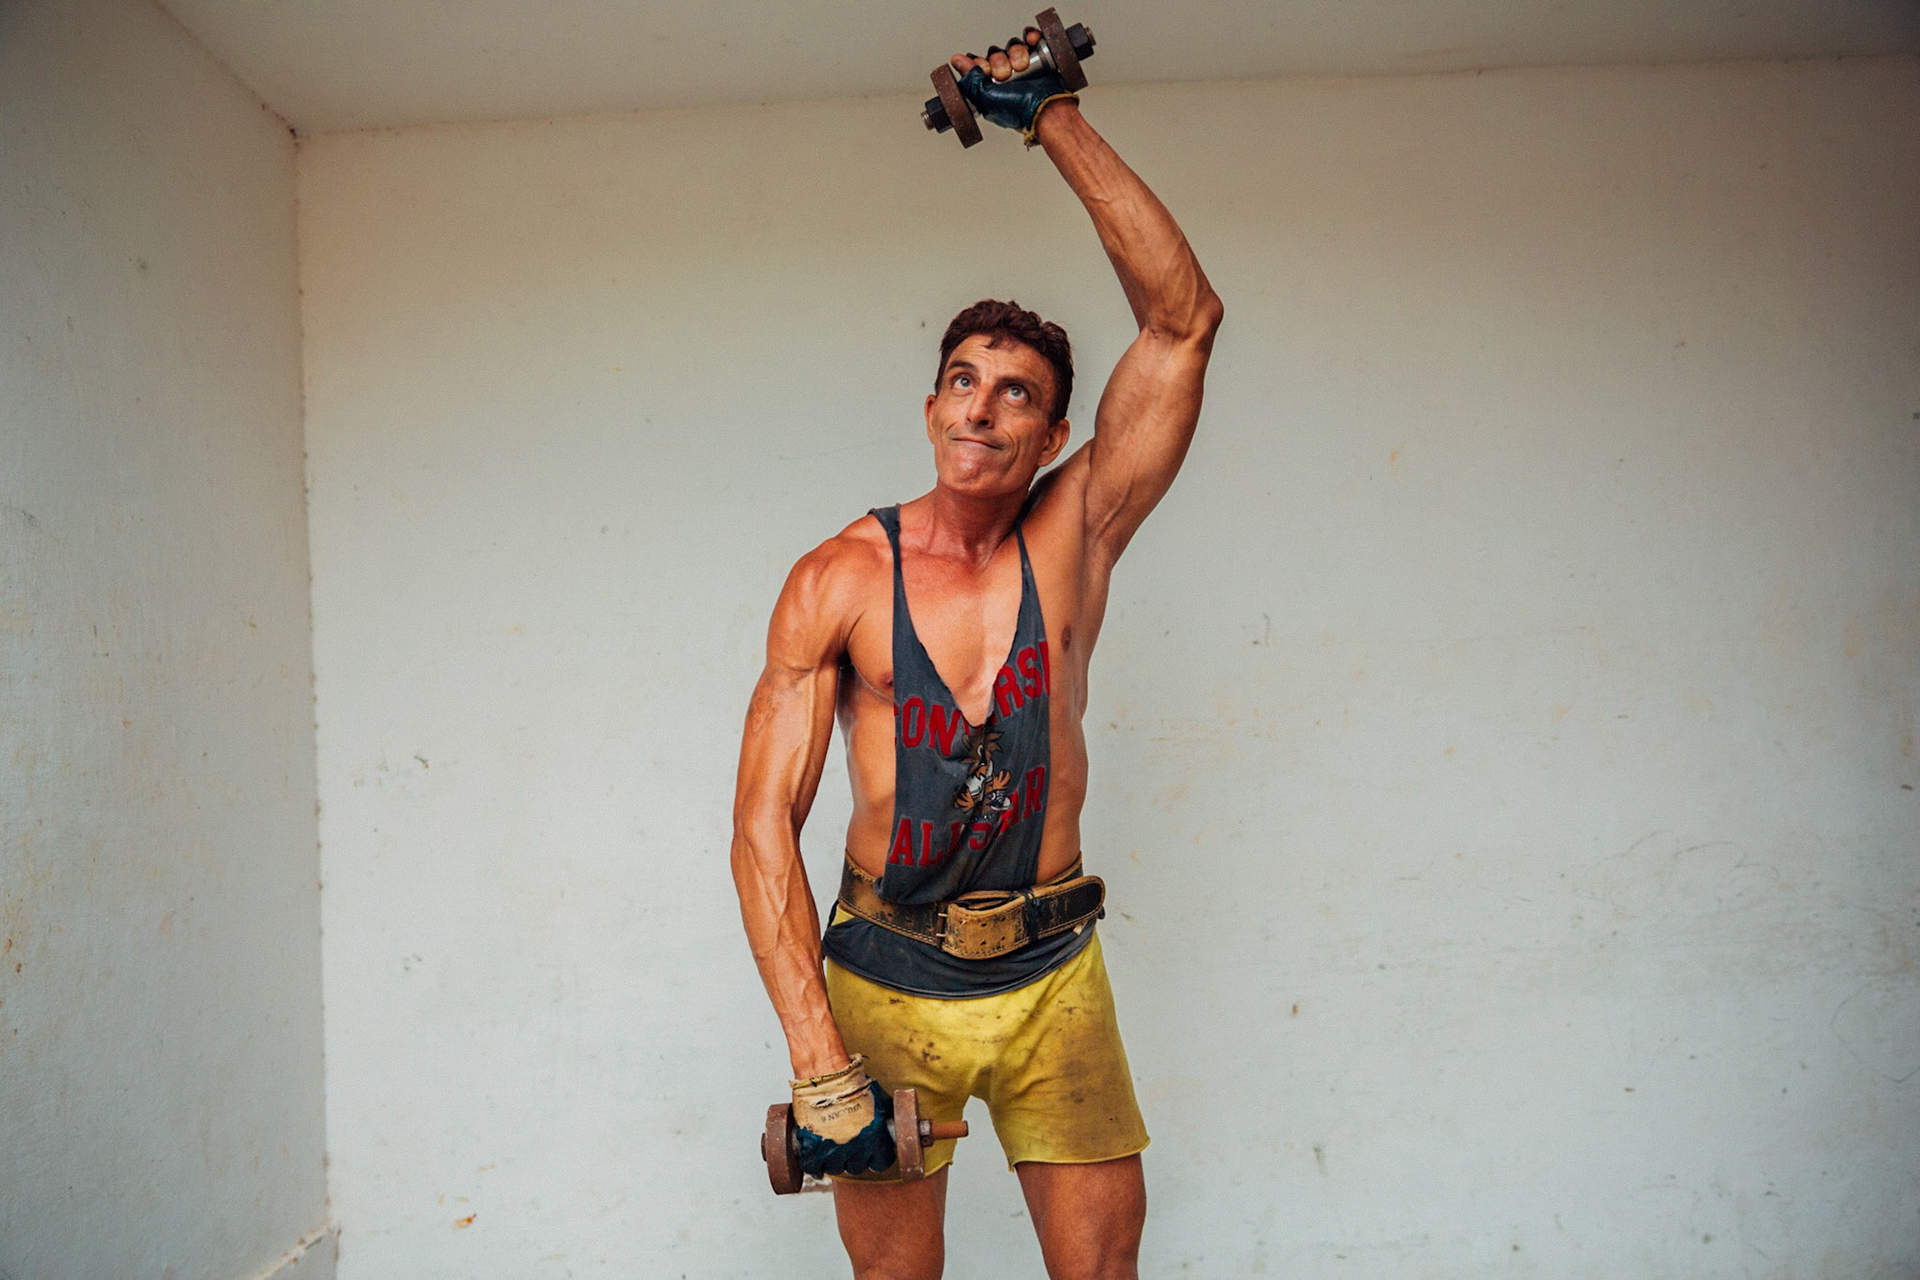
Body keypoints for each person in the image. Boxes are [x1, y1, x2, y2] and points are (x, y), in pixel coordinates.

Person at [730, 29, 1223, 1280]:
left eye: (1016, 391)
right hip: (886, 979)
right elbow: (759, 828)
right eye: (963, 379)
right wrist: (815, 1059)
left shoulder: (1078, 528)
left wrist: (1047, 113)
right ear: (932, 405)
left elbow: (1184, 319)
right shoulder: (840, 577)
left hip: (1056, 969)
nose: (983, 405)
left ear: (1058, 427)